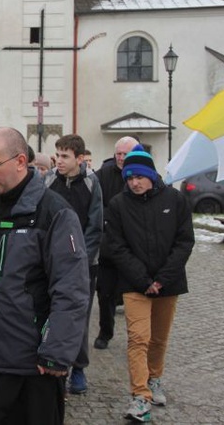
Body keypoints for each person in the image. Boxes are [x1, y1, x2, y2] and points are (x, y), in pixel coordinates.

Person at [0, 127, 90, 425]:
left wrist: (56, 354)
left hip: (24, 365)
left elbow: (72, 289)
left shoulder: (54, 214)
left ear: (21, 161)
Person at [106, 145, 194, 422]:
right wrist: (144, 280)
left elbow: (184, 242)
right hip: (135, 284)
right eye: (129, 178)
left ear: (151, 175)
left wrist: (161, 279)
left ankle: (155, 379)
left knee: (158, 339)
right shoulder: (118, 205)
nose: (134, 182)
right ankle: (140, 396)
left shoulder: (175, 200)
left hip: (168, 282)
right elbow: (116, 247)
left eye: (139, 177)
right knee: (138, 339)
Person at [44, 134, 103, 395]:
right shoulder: (48, 181)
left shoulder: (92, 184)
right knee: (47, 311)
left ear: (80, 159)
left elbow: (95, 225)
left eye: (65, 156)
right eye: (57, 155)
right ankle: (48, 361)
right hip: (49, 263)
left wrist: (81, 260)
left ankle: (78, 368)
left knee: (77, 316)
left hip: (83, 265)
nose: (59, 161)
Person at [94, 136, 139, 350]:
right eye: (118, 153)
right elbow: (96, 203)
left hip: (134, 249)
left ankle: (137, 337)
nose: (121, 158)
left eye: (126, 154)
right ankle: (105, 332)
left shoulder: (142, 175)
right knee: (105, 293)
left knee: (135, 297)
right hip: (108, 247)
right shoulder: (103, 174)